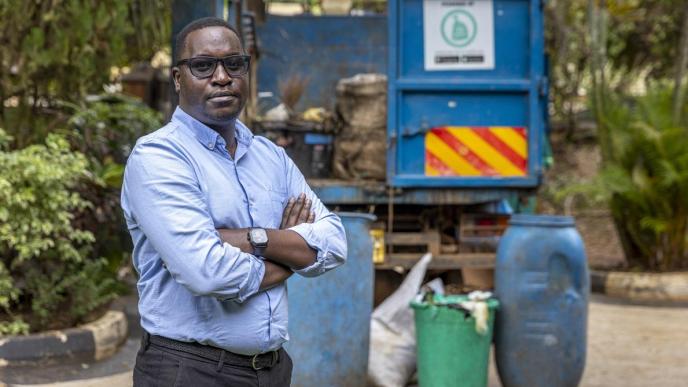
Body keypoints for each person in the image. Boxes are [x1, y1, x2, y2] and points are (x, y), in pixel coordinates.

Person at [121, 17, 347, 387]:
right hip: (189, 370)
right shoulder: (159, 157)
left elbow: (334, 242)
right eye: (203, 66)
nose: (222, 77)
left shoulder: (270, 156)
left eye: (234, 64)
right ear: (178, 78)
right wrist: (289, 256)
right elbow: (208, 272)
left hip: (271, 370)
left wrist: (255, 239)